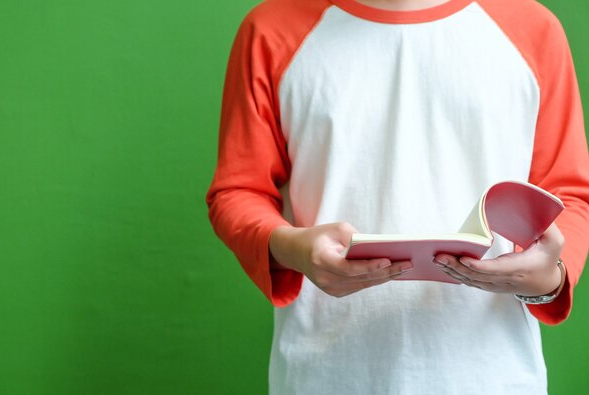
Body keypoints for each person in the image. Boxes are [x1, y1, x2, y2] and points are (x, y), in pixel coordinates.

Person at [206, 0, 589, 393]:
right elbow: (239, 190)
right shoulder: (269, 30)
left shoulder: (534, 28)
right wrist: (293, 247)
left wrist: (550, 277)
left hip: (495, 374)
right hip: (325, 375)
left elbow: (570, 193)